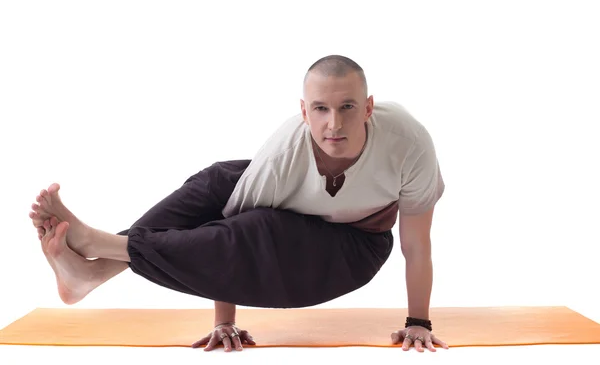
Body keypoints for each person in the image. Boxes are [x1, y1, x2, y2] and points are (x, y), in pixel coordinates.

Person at [29, 55, 449, 353]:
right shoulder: (283, 154)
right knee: (216, 183)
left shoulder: (408, 144)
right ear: (304, 111)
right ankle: (91, 272)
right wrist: (224, 321)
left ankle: (100, 249)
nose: (334, 123)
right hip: (290, 212)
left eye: (347, 107)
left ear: (369, 107)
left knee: (261, 229)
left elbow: (416, 246)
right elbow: (223, 235)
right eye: (320, 109)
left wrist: (418, 322)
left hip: (351, 248)